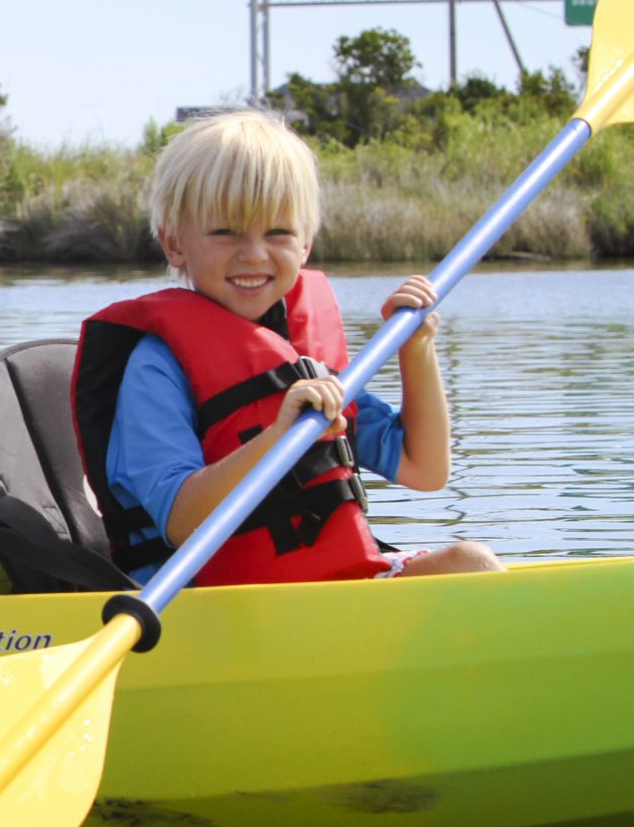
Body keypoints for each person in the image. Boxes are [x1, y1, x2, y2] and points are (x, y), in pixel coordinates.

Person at [71, 109, 504, 587]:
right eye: (225, 232)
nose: (254, 253)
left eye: (277, 233)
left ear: (305, 244)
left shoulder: (302, 358)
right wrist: (277, 435)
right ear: (174, 244)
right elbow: (179, 519)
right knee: (473, 567)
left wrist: (417, 349)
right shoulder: (157, 368)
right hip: (203, 601)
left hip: (313, 588)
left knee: (471, 562)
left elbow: (425, 469)